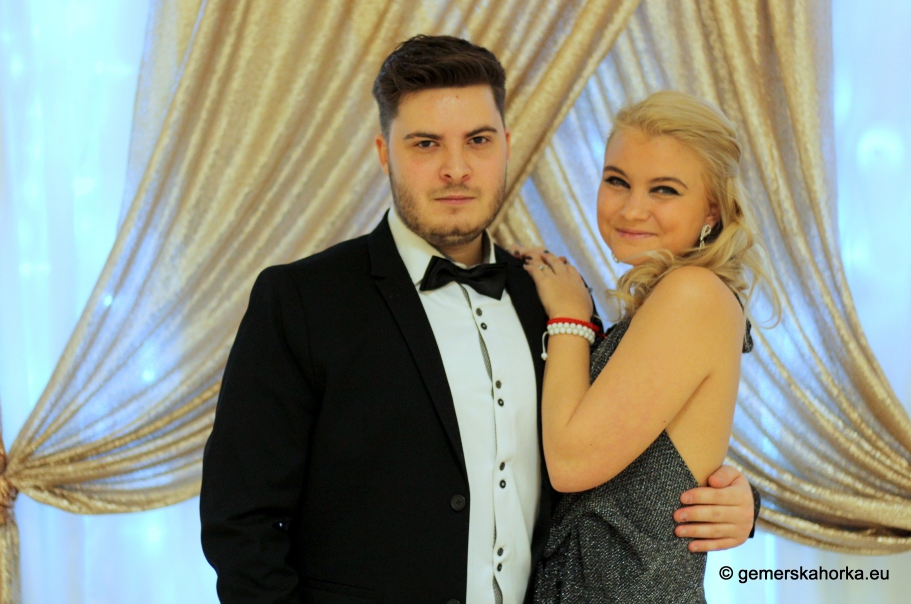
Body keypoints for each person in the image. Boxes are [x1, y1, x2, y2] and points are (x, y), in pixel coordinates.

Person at [200, 37, 759, 604]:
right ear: (385, 153)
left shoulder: (555, 300)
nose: (456, 169)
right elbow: (241, 524)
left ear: (506, 146)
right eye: (426, 144)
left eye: (478, 140)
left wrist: (736, 498)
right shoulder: (302, 300)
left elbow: (625, 452)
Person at [519, 91, 778, 603]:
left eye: (664, 189)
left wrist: (570, 318)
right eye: (617, 181)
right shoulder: (671, 299)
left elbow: (570, 463)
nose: (632, 208)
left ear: (712, 208)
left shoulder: (692, 294)